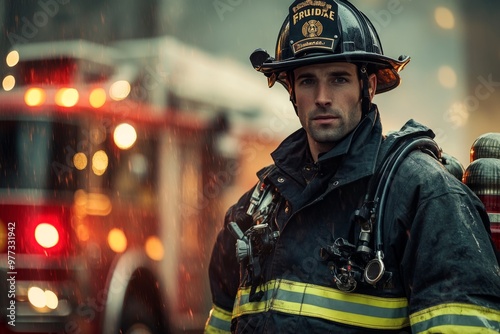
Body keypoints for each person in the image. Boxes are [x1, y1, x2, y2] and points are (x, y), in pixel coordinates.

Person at [204, 0, 500, 333]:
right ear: (291, 91)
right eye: (306, 81)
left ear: (368, 86)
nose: (322, 97)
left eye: (339, 79)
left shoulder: (423, 196)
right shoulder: (254, 211)